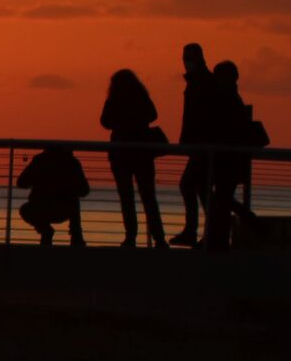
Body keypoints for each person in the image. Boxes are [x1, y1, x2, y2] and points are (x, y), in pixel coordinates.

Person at [97, 69, 166, 248]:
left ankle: (131, 237)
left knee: (126, 197)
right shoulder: (141, 98)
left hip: (120, 153)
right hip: (142, 152)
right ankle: (159, 238)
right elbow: (153, 115)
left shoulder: (114, 100)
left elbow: (105, 122)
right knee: (149, 197)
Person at [204, 60, 264, 252]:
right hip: (230, 159)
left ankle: (222, 236)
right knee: (222, 198)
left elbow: (226, 129)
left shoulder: (227, 99)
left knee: (221, 198)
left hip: (227, 159)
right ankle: (219, 237)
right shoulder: (232, 98)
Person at [172, 43, 217, 247]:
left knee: (190, 185)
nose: (186, 62)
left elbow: (199, 115)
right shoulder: (196, 82)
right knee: (201, 189)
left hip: (204, 146)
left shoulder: (203, 82)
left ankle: (197, 231)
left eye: (189, 58)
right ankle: (208, 232)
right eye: (184, 58)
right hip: (198, 145)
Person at [16, 144, 91, 246]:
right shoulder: (72, 162)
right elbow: (84, 191)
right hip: (64, 210)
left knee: (25, 209)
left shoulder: (40, 160)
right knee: (73, 199)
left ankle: (46, 231)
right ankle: (76, 234)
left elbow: (21, 183)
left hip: (41, 209)